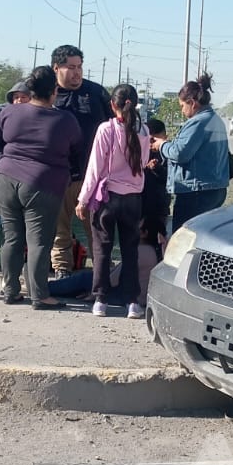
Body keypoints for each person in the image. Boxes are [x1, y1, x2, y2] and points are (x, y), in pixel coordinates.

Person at [0, 64, 81, 309]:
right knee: (39, 241)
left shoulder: (10, 112)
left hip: (6, 178)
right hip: (43, 183)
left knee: (12, 239)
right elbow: (76, 150)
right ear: (54, 91)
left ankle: (10, 289)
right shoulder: (65, 120)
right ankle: (40, 295)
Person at [77, 83, 150, 319]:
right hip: (133, 199)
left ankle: (100, 299)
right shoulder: (145, 131)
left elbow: (95, 168)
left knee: (102, 250)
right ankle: (133, 303)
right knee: (130, 251)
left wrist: (83, 199)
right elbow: (143, 162)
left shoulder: (106, 129)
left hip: (107, 197)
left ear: (112, 105)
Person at [48, 45, 111, 277]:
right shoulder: (47, 93)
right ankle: (62, 271)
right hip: (58, 176)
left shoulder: (96, 93)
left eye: (80, 67)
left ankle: (102, 276)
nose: (77, 73)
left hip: (92, 177)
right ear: (57, 68)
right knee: (59, 230)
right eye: (71, 68)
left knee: (97, 230)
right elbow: (18, 104)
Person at [153, 73, 231, 231]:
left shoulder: (198, 123)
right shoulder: (215, 120)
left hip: (196, 191)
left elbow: (180, 153)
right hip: (214, 188)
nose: (182, 110)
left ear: (192, 103)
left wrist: (162, 145)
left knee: (185, 238)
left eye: (182, 106)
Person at [141, 115, 171, 247]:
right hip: (142, 204)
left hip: (160, 205)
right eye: (150, 139)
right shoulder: (141, 152)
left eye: (155, 139)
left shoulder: (168, 152)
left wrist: (158, 168)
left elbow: (170, 178)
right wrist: (144, 168)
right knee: (142, 236)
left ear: (164, 137)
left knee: (160, 237)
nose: (152, 144)